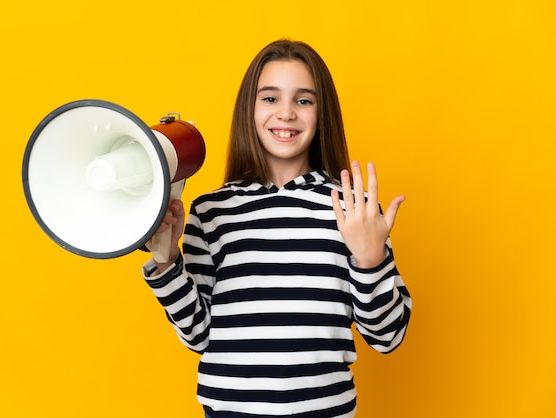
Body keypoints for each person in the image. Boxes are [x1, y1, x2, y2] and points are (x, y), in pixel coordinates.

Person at [143, 39, 412, 418]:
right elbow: (199, 335)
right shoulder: (211, 211)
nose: (286, 113)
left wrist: (370, 261)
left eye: (304, 100)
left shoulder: (354, 209)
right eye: (270, 98)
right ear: (249, 110)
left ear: (323, 113)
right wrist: (167, 264)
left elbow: (388, 336)